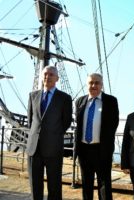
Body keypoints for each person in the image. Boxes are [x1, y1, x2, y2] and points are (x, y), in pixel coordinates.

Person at [26, 65, 73, 200]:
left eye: (51, 74)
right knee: (35, 185)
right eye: (45, 74)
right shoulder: (33, 96)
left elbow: (66, 122)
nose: (48, 77)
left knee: (54, 186)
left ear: (57, 78)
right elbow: (31, 121)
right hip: (34, 148)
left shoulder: (64, 98)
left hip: (53, 147)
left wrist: (52, 134)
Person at [74, 73, 119, 200]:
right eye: (91, 83)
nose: (93, 85)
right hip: (84, 150)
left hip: (102, 149)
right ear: (87, 84)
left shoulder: (111, 101)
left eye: (97, 83)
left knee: (104, 185)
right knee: (86, 185)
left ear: (101, 85)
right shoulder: (80, 101)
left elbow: (113, 124)